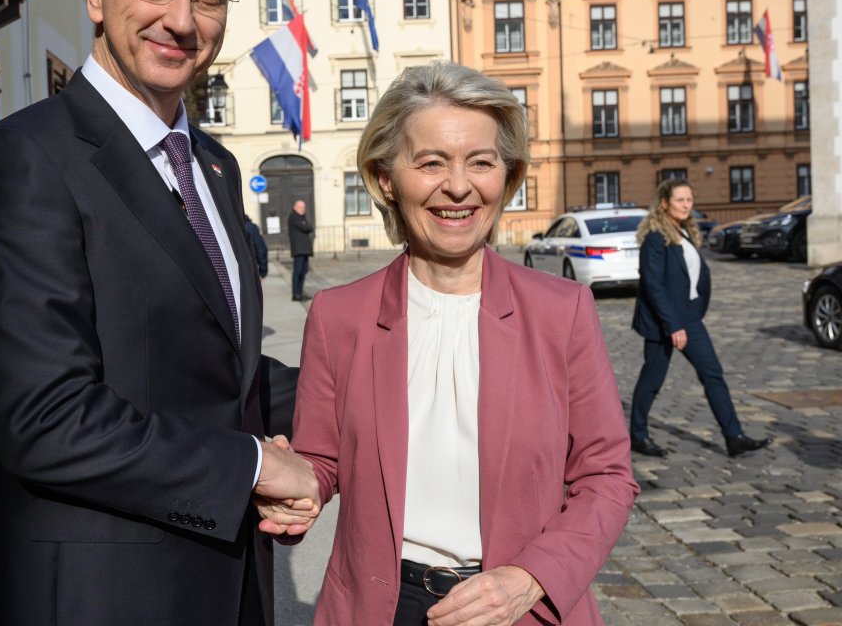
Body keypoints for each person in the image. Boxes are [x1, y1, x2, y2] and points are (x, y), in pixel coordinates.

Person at [0, 0, 318, 623]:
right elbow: (46, 418)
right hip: (98, 596)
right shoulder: (24, 159)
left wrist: (373, 381)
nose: (181, 19)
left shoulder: (213, 164)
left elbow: (215, 371)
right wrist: (252, 465)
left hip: (223, 585)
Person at [259, 61, 639, 626]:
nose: (459, 186)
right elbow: (323, 460)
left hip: (520, 607)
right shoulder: (339, 316)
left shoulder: (562, 312)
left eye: (480, 162)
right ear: (387, 179)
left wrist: (530, 579)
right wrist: (298, 488)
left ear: (506, 177)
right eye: (431, 162)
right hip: (378, 608)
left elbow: (606, 477)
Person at [628, 178, 773, 459]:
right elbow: (654, 286)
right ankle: (638, 435)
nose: (686, 205)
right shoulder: (655, 238)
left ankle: (734, 437)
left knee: (712, 373)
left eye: (689, 200)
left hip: (689, 317)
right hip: (663, 321)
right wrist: (673, 325)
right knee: (653, 378)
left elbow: (692, 279)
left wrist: (695, 314)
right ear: (664, 203)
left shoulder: (682, 232)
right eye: (680, 200)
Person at [288, 199, 313, 300]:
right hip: (299, 250)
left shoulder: (302, 218)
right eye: (300, 207)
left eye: (303, 207)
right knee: (297, 272)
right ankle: (295, 294)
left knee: (304, 272)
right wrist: (306, 225)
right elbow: (306, 228)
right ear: (295, 208)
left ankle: (300, 292)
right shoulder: (294, 217)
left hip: (304, 249)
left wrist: (306, 225)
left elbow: (309, 227)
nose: (303, 209)